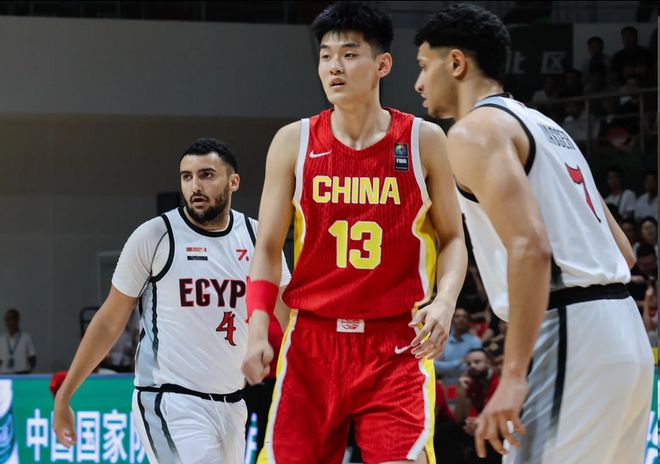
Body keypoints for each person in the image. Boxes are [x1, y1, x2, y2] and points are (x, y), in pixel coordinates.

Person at [414, 4, 654, 463]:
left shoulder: (473, 132)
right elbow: (622, 252)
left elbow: (530, 247)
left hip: (570, 332)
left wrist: (513, 376)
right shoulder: (548, 128)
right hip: (626, 335)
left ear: (457, 63)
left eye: (425, 66)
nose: (419, 83)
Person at [241, 2, 467, 463]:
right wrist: (258, 328)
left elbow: (454, 239)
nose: (334, 67)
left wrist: (445, 301)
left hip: (396, 343)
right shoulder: (293, 142)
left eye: (348, 54)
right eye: (325, 56)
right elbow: (266, 247)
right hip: (312, 342)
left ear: (382, 64)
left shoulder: (423, 140)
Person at [53, 137, 291, 464]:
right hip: (169, 401)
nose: (195, 186)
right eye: (187, 177)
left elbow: (290, 318)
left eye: (206, 175)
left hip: (232, 403)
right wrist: (65, 394)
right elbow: (109, 321)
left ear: (233, 182)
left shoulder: (256, 238)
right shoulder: (155, 236)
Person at [435, 308, 483, 386]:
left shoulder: (475, 341)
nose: (461, 319)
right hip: (444, 386)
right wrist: (459, 362)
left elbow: (470, 368)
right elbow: (435, 366)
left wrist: (444, 367)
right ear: (452, 320)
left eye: (464, 317)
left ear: (469, 321)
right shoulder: (444, 341)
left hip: (466, 385)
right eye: (457, 316)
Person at [0, 308, 37, 374]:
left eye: (11, 319)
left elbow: (32, 359)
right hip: (5, 374)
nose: (8, 322)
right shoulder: (1, 339)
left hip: (22, 373)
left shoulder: (27, 338)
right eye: (6, 319)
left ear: (17, 320)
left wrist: (27, 373)